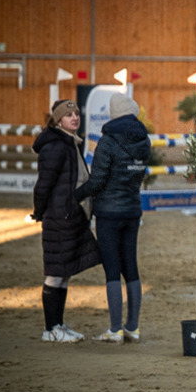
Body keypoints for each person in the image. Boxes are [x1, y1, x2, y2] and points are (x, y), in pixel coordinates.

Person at [74, 93, 152, 344]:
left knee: (112, 269)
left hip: (108, 213)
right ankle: (133, 327)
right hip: (132, 210)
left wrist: (76, 196)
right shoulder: (144, 140)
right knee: (131, 267)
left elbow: (97, 181)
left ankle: (115, 329)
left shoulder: (107, 141)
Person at [31, 99, 101, 343]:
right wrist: (39, 212)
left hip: (70, 216)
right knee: (54, 274)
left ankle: (58, 324)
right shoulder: (55, 147)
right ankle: (50, 329)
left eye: (76, 114)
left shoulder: (71, 143)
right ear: (58, 120)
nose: (75, 118)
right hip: (59, 217)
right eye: (69, 115)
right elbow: (43, 185)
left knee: (64, 273)